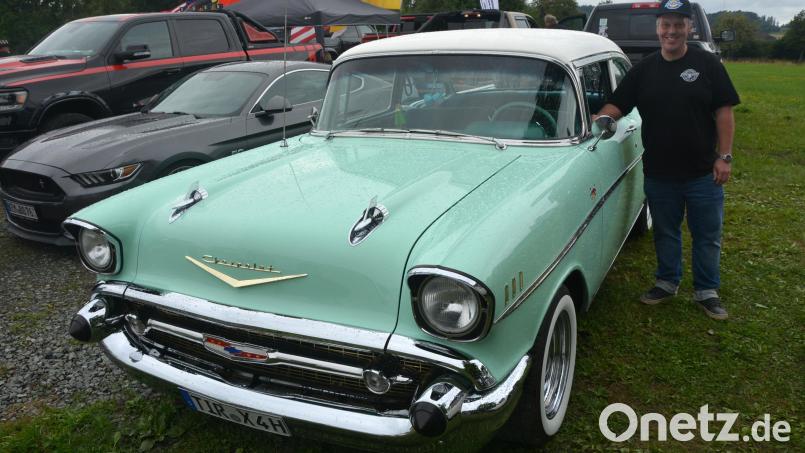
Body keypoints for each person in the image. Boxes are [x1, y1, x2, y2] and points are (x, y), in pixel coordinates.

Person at [595, 0, 740, 320]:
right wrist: (600, 120)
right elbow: (617, 104)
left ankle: (706, 291)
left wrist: (724, 157)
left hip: (704, 171)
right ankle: (667, 282)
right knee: (665, 230)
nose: (671, 31)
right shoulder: (644, 70)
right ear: (657, 27)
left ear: (689, 27)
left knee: (706, 234)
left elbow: (724, 112)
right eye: (666, 24)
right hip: (660, 172)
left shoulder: (708, 64)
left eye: (678, 24)